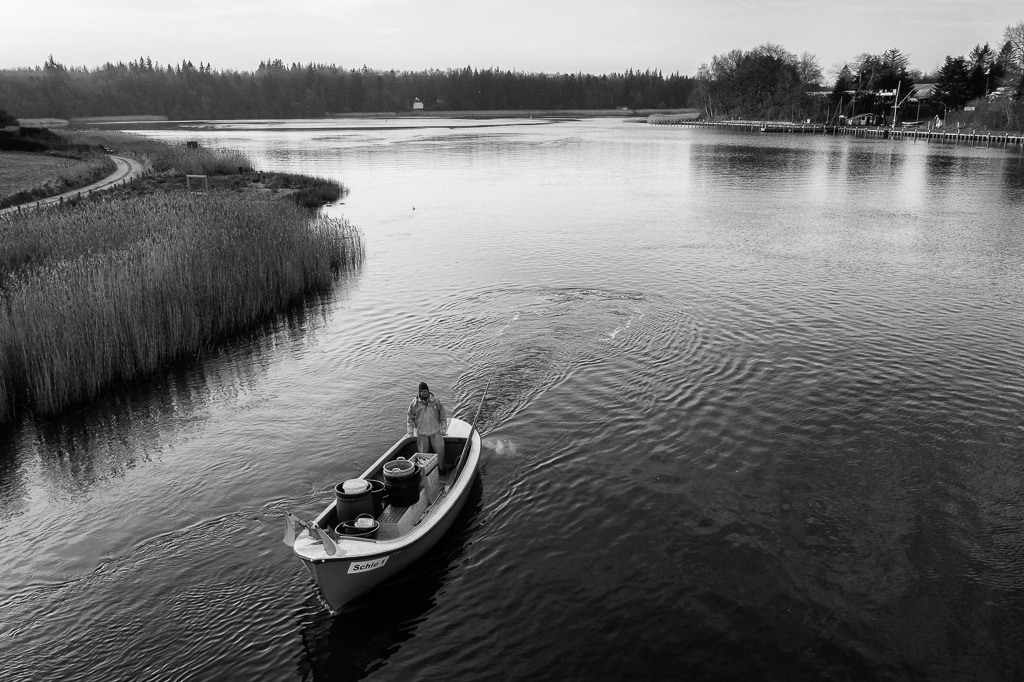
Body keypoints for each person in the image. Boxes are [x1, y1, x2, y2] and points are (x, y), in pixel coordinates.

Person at [407, 381, 447, 468]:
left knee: (440, 451)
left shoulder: (435, 400)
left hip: (435, 430)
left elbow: (442, 414)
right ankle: (425, 473)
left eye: (426, 391)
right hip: (421, 432)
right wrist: (410, 432)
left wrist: (443, 428)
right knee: (422, 456)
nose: (424, 393)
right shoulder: (414, 404)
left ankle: (441, 469)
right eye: (422, 391)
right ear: (419, 392)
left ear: (428, 391)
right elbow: (410, 418)